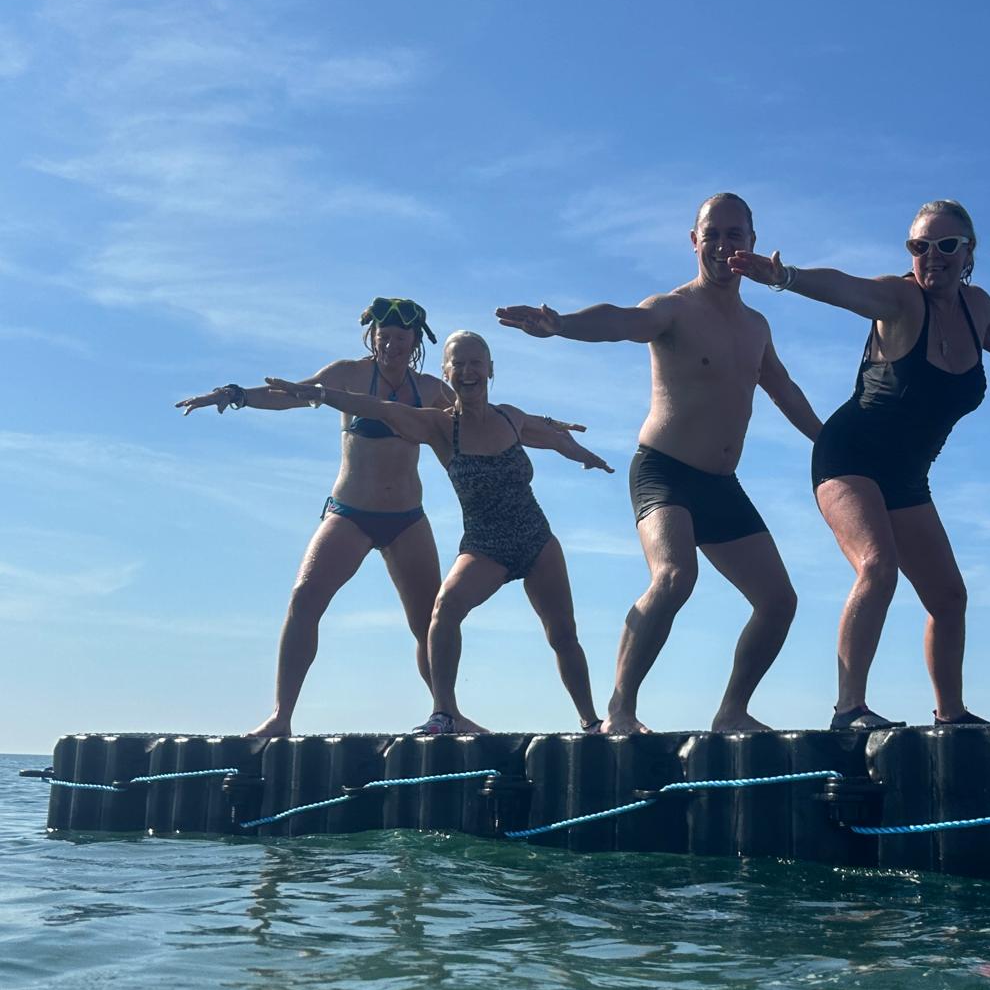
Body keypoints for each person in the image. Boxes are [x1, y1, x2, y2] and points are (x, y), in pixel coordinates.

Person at [728, 199, 990, 729]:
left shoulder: (977, 307)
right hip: (850, 457)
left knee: (949, 597)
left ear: (969, 251)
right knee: (878, 567)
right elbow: (846, 289)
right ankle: (849, 708)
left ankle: (951, 714)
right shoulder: (899, 298)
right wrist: (785, 277)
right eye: (919, 246)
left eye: (946, 245)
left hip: (906, 476)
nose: (932, 256)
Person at [496, 192, 823, 734]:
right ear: (695, 241)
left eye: (734, 235)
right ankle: (620, 710)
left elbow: (783, 388)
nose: (722, 245)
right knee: (674, 576)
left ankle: (731, 711)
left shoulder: (756, 326)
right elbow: (621, 321)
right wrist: (562, 325)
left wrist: (828, 441)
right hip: (664, 472)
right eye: (712, 235)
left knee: (778, 601)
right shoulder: (674, 308)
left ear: (752, 242)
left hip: (721, 484)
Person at [265, 330, 613, 735]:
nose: (468, 371)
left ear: (490, 369)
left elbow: (550, 437)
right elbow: (377, 408)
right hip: (485, 546)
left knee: (564, 634)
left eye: (475, 363)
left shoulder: (509, 417)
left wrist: (582, 454)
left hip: (536, 539)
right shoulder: (438, 425)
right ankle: (445, 713)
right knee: (444, 609)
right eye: (458, 364)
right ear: (445, 373)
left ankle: (591, 721)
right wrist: (322, 394)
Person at [175, 297, 452, 737]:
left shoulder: (433, 390)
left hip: (407, 519)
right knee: (304, 598)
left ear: (416, 342)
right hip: (351, 513)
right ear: (372, 337)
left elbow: (480, 422)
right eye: (384, 337)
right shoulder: (349, 374)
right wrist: (235, 394)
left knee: (429, 623)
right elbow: (289, 396)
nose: (391, 345)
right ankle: (280, 716)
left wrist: (537, 430)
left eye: (401, 339)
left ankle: (446, 714)